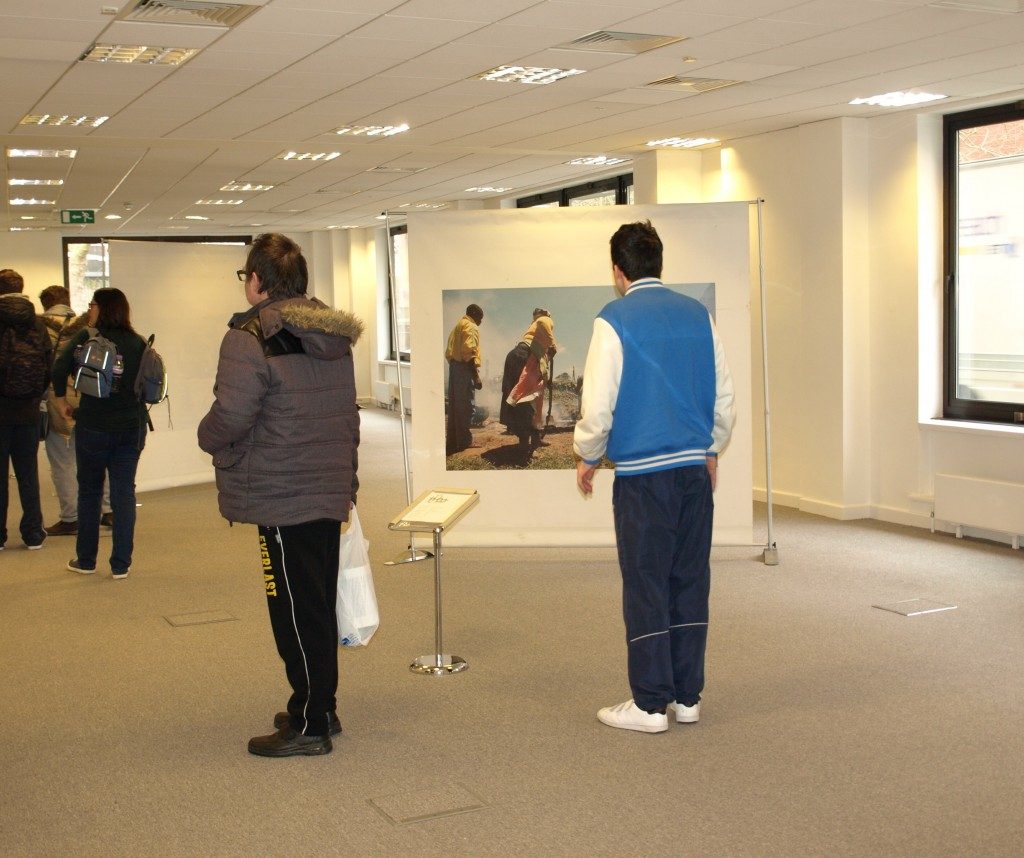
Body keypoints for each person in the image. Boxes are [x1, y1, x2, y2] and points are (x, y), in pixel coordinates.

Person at [198, 233, 362, 758]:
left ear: (257, 281)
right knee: (314, 603)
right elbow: (346, 415)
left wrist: (204, 436)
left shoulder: (248, 337)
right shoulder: (330, 333)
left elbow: (232, 415)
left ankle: (311, 722)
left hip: (282, 491)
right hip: (325, 485)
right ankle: (320, 706)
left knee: (293, 609)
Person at [574, 220, 735, 734]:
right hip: (692, 473)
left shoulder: (613, 319)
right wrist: (709, 448)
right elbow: (723, 397)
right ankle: (686, 696)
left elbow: (598, 404)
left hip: (644, 479)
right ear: (658, 263)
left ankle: (648, 705)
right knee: (689, 579)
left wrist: (587, 454)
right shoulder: (699, 316)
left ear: (618, 272)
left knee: (645, 583)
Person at [52, 288, 148, 578]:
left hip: (93, 426)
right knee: (123, 494)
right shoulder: (139, 342)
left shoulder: (87, 338)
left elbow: (58, 369)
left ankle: (86, 560)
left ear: (101, 308)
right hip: (131, 428)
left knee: (90, 492)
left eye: (92, 304)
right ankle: (121, 564)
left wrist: (62, 402)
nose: (89, 309)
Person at [38, 285, 112, 536]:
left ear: (45, 304)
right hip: (89, 397)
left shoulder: (38, 327)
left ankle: (71, 517)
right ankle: (108, 510)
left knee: (63, 461)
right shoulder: (88, 326)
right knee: (100, 457)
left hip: (56, 400)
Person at [0, 269, 51, 551]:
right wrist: (33, 394)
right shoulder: (37, 323)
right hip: (28, 409)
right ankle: (33, 533)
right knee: (28, 473)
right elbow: (47, 364)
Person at [504, 307, 556, 451]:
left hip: (518, 355)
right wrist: (552, 344)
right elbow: (543, 325)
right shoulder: (544, 320)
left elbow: (543, 362)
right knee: (526, 399)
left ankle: (534, 438)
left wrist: (546, 379)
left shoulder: (533, 329)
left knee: (530, 399)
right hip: (525, 356)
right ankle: (524, 443)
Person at [445, 303, 483, 455]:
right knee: (466, 406)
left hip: (454, 367)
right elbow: (468, 351)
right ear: (476, 315)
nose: (481, 322)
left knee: (455, 407)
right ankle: (464, 442)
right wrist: (476, 376)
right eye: (480, 318)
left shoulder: (458, 325)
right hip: (464, 368)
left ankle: (454, 441)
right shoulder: (471, 326)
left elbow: (449, 351)